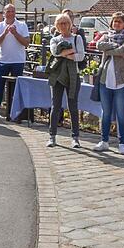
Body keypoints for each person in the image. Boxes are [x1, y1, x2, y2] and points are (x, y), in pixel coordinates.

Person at [93, 12, 124, 154]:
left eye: (119, 22)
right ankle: (104, 141)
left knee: (121, 114)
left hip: (122, 82)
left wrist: (109, 49)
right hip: (105, 81)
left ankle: (122, 143)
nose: (116, 24)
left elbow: (123, 51)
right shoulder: (106, 35)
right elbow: (98, 45)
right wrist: (113, 46)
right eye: (114, 21)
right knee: (105, 113)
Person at [46, 13, 85, 148]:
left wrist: (65, 53)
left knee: (73, 107)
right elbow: (55, 52)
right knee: (55, 106)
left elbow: (80, 56)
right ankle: (52, 136)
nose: (63, 26)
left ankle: (75, 137)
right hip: (57, 76)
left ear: (70, 24)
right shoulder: (54, 39)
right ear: (57, 26)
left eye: (65, 23)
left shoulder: (77, 38)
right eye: (60, 23)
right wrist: (70, 53)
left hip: (73, 76)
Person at [0, 4, 30, 120]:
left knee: (16, 88)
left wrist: (15, 34)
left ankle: (15, 113)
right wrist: (4, 33)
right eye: (8, 11)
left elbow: (26, 43)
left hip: (18, 61)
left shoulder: (22, 25)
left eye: (12, 11)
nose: (10, 13)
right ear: (4, 13)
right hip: (3, 60)